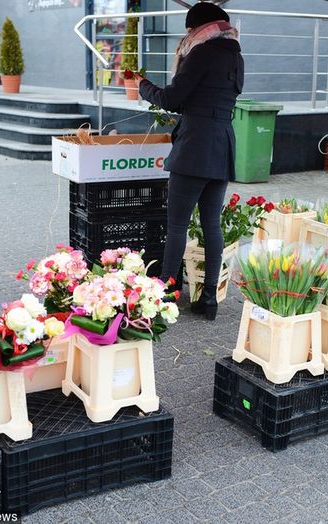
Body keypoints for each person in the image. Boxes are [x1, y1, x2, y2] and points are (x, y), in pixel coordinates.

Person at [134, 2, 244, 321]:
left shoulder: (200, 53)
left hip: (195, 144)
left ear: (198, 28)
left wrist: (142, 85)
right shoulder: (236, 56)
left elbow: (171, 99)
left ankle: (166, 293)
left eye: (189, 29)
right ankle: (208, 298)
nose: (188, 35)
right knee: (211, 224)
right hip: (222, 142)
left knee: (178, 223)